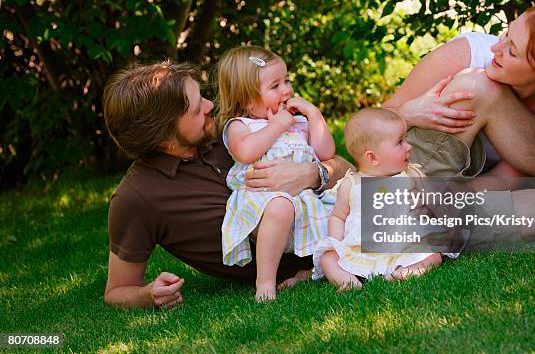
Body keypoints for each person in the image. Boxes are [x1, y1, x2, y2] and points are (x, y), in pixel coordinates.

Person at [102, 61, 351, 309]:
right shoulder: (137, 197)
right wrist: (147, 295)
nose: (210, 106)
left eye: (204, 98)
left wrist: (311, 174)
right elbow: (117, 291)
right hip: (318, 262)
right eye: (197, 109)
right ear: (164, 138)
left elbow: (347, 168)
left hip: (339, 232)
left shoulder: (232, 133)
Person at [383, 0, 535, 198]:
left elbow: (508, 178)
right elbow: (374, 122)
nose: (495, 48)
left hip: (461, 188)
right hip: (406, 170)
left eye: (512, 50)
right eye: (506, 33)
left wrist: (462, 195)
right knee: (478, 85)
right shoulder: (466, 55)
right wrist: (408, 113)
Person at [216, 46, 335, 301]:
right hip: (264, 205)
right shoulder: (241, 126)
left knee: (343, 209)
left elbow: (326, 153)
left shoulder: (298, 122)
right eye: (275, 86)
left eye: (287, 81)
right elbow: (245, 152)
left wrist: (313, 115)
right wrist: (278, 125)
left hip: (306, 203)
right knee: (281, 206)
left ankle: (315, 270)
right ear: (246, 99)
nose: (287, 91)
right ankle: (265, 282)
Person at [314, 108, 443, 290]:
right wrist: (337, 243)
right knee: (328, 258)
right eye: (400, 142)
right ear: (372, 157)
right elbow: (338, 216)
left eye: (405, 139)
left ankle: (406, 272)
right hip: (361, 251)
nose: (409, 146)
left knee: (433, 255)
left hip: (403, 246)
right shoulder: (351, 184)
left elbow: (433, 202)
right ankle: (348, 282)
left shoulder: (411, 175)